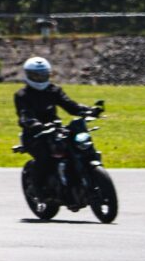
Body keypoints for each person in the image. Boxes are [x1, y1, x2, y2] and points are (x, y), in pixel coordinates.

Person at [14, 56, 101, 197]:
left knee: (81, 147)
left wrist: (89, 110)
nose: (40, 78)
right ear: (28, 75)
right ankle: (38, 189)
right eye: (36, 75)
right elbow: (24, 115)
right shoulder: (22, 95)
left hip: (56, 130)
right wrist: (34, 124)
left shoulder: (53, 90)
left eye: (44, 74)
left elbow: (70, 105)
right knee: (45, 158)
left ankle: (85, 178)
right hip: (34, 135)